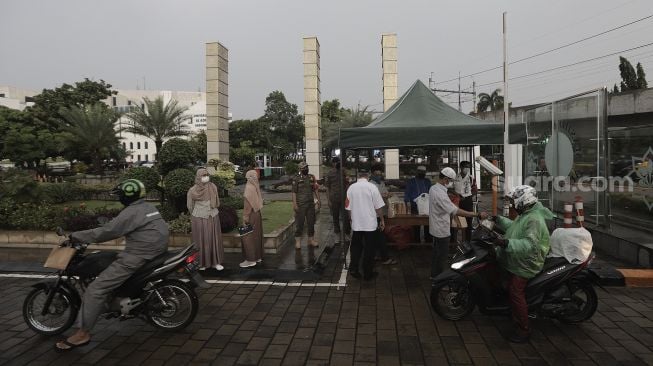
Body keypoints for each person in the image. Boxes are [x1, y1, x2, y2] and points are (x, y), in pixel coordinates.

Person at [55, 179, 168, 351]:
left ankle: (82, 334)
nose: (119, 198)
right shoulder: (148, 207)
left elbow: (107, 231)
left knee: (95, 289)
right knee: (111, 259)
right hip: (154, 251)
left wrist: (76, 236)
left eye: (121, 195)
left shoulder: (131, 212)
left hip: (139, 255)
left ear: (127, 196)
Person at [492, 185, 554, 343]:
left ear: (523, 202)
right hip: (518, 259)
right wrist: (497, 219)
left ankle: (524, 328)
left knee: (515, 291)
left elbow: (529, 245)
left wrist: (505, 243)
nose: (513, 205)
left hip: (527, 262)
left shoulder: (534, 220)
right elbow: (514, 228)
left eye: (514, 202)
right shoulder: (527, 214)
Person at [429, 167, 487, 280]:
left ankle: (434, 275)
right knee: (442, 257)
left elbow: (446, 205)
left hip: (435, 228)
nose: (450, 183)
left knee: (437, 254)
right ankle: (439, 280)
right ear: (445, 179)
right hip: (441, 230)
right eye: (450, 181)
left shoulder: (433, 188)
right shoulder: (440, 193)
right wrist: (477, 215)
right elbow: (455, 211)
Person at [345, 169, 385, 280]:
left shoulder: (351, 188)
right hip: (370, 224)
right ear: (368, 176)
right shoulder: (372, 187)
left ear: (358, 176)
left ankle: (354, 269)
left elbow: (348, 208)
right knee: (369, 248)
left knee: (356, 247)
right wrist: (382, 220)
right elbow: (378, 207)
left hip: (357, 223)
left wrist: (351, 219)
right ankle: (368, 273)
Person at [187, 168, 224, 271]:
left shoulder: (212, 187)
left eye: (207, 175)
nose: (206, 177)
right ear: (198, 177)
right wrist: (198, 212)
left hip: (213, 215)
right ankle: (201, 263)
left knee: (214, 239)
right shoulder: (192, 190)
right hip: (199, 217)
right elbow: (190, 206)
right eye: (203, 175)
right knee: (201, 240)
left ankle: (216, 262)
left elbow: (216, 200)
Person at [369, 166, 397, 265]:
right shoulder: (370, 185)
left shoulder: (381, 183)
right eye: (376, 175)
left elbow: (385, 192)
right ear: (371, 174)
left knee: (379, 235)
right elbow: (374, 197)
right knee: (380, 236)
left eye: (380, 175)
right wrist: (384, 196)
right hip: (375, 214)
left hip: (383, 212)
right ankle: (384, 257)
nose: (378, 176)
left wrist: (387, 194)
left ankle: (377, 254)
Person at [292, 161, 320, 249]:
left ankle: (311, 240)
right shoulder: (296, 178)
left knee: (311, 223)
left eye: (306, 167)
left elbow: (315, 189)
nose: (306, 169)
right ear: (300, 169)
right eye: (304, 168)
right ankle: (298, 241)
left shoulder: (311, 177)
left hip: (310, 204)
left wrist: (319, 200)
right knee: (300, 223)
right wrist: (295, 204)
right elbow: (294, 192)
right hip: (301, 205)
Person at [240, 169, 264, 268]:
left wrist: (245, 217)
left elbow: (247, 206)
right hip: (257, 214)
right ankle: (258, 257)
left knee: (247, 237)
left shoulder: (249, 187)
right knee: (257, 236)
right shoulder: (255, 186)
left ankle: (250, 260)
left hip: (250, 215)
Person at [324, 157, 350, 242]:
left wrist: (346, 176)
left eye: (338, 162)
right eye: (336, 162)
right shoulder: (330, 173)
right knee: (335, 217)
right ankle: (337, 235)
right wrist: (328, 200)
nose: (337, 164)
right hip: (334, 198)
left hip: (344, 198)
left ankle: (346, 234)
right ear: (333, 164)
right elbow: (327, 188)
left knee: (346, 217)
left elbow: (347, 184)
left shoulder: (343, 172)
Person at [404, 165, 432, 242]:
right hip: (414, 207)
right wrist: (407, 202)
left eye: (423, 172)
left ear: (425, 173)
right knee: (416, 226)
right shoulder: (411, 181)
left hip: (426, 207)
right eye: (420, 172)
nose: (422, 173)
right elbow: (407, 194)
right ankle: (416, 242)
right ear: (417, 172)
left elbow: (431, 193)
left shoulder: (427, 181)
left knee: (428, 225)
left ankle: (428, 242)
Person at [454, 161, 474, 242]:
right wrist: (457, 195)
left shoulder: (471, 178)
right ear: (461, 167)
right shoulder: (455, 177)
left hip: (468, 201)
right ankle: (454, 241)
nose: (467, 169)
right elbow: (449, 188)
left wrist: (471, 194)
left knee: (468, 221)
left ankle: (467, 241)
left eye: (468, 167)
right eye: (465, 167)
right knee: (455, 221)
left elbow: (474, 189)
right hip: (457, 201)